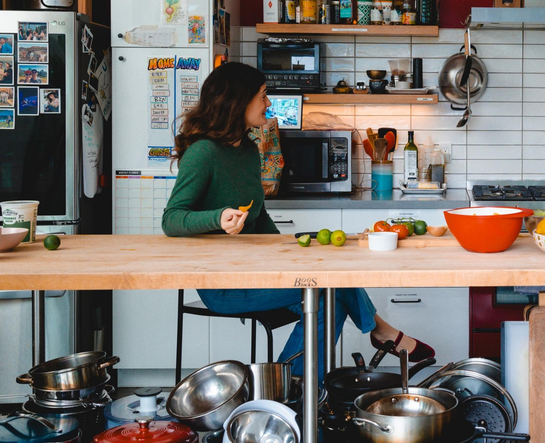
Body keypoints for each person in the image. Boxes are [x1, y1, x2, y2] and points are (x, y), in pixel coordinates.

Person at [161, 62, 434, 380]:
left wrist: (287, 251)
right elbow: (172, 219)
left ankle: (287, 389)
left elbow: (257, 213)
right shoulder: (203, 153)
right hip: (223, 284)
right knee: (328, 286)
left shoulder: (249, 151)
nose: (269, 104)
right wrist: (217, 218)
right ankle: (371, 338)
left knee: (330, 297)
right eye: (263, 96)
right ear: (238, 100)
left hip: (252, 272)